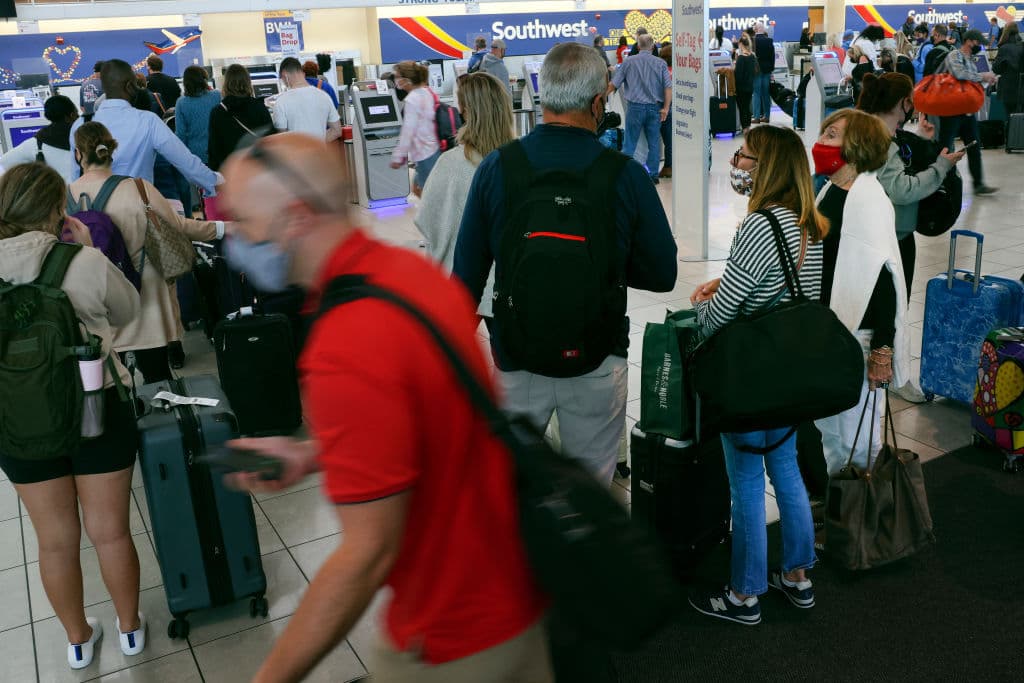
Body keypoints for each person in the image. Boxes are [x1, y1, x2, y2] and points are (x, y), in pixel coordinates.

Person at [219, 132, 550, 682]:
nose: (234, 238)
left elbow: (367, 554)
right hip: (513, 598)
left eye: (242, 222)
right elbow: (432, 421)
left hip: (450, 643)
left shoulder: (345, 343)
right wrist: (317, 453)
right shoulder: (409, 278)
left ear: (295, 218)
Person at [455, 41, 677, 487]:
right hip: (596, 356)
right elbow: (662, 273)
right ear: (598, 103)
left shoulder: (498, 167)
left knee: (513, 490)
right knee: (590, 492)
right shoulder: (625, 173)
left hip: (516, 356)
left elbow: (463, 280)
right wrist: (606, 263)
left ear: (543, 97)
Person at [0, 162, 144, 670]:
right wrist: (91, 250)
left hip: (19, 421)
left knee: (55, 541)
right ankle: (130, 629)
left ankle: (79, 640)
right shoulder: (80, 260)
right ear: (57, 209)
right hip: (95, 407)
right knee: (110, 531)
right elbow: (128, 310)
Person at [687, 125, 825, 626]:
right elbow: (785, 290)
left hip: (752, 376)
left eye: (744, 157)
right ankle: (797, 574)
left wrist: (695, 330)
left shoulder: (760, 224)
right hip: (789, 372)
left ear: (764, 166)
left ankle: (745, 594)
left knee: (745, 475)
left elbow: (727, 309)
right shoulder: (808, 223)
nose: (737, 165)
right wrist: (726, 280)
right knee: (784, 468)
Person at [69, 122, 223, 383]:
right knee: (158, 379)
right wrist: (222, 228)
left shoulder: (63, 197)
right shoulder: (138, 188)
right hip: (145, 296)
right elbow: (180, 227)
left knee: (110, 384)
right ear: (111, 152)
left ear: (78, 154)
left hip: (94, 301)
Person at [811, 109, 909, 475]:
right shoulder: (830, 190)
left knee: (860, 439)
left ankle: (866, 517)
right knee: (833, 435)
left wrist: (882, 350)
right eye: (825, 132)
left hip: (860, 337)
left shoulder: (868, 200)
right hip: (832, 330)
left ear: (858, 146)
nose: (822, 141)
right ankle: (844, 516)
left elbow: (885, 281)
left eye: (832, 134)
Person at [415, 72, 511, 323]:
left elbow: (428, 222)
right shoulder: (518, 160)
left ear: (465, 111)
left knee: (453, 355)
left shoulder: (451, 163)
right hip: (507, 282)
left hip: (459, 280)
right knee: (507, 357)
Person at [858, 72, 963, 297]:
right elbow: (902, 190)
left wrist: (921, 139)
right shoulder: (880, 140)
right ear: (903, 102)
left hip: (879, 235)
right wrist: (941, 167)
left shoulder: (873, 132)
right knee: (893, 307)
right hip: (890, 240)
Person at [68, 60, 221, 195]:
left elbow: (75, 174)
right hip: (137, 210)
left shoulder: (81, 124)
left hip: (95, 216)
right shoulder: (147, 121)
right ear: (129, 86)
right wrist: (216, 182)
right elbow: (185, 161)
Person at [938, 29, 999, 196]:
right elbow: (959, 74)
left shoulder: (971, 60)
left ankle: (979, 183)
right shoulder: (954, 55)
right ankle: (939, 181)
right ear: (969, 41)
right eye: (978, 42)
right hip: (950, 110)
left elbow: (972, 81)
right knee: (945, 146)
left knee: (974, 145)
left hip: (966, 110)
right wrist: (982, 76)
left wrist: (987, 80)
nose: (979, 46)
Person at [607, 33, 672, 182]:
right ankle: (653, 175)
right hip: (654, 109)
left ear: (637, 46)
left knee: (630, 143)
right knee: (653, 144)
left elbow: (614, 84)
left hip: (635, 109)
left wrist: (601, 96)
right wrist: (666, 108)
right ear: (653, 46)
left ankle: (625, 174)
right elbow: (668, 88)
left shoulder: (628, 62)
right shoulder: (660, 63)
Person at [388, 61, 441, 197]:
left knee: (428, 194)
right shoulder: (427, 91)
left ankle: (431, 217)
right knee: (418, 189)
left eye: (398, 76)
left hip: (425, 153)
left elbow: (408, 132)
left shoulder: (413, 99)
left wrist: (398, 157)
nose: (396, 80)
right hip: (434, 149)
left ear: (407, 80)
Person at [208, 64, 273, 172]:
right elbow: (270, 140)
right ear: (248, 82)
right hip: (256, 170)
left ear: (226, 83)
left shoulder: (218, 112)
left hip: (231, 173)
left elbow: (214, 149)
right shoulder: (259, 107)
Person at [0, 95, 78, 182]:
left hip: (56, 193)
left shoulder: (36, 143)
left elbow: (3, 165)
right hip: (86, 191)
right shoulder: (85, 139)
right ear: (71, 115)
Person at [272, 58, 341, 142]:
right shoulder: (324, 96)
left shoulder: (281, 102)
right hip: (321, 154)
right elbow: (337, 131)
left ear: (285, 75)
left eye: (282, 79)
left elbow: (282, 137)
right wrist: (317, 143)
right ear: (302, 73)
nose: (284, 83)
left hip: (296, 154)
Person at [174, 66, 221, 165]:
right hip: (217, 150)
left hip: (195, 154)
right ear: (204, 79)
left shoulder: (181, 103)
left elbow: (181, 134)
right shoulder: (217, 95)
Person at [994, 23, 1023, 119]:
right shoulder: (1022, 46)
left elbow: (996, 69)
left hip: (1009, 91)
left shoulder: (1004, 48)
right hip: (1022, 89)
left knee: (1011, 119)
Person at [753, 22, 775, 124]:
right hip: (767, 70)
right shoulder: (769, 41)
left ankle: (757, 117)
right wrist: (771, 70)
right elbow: (772, 57)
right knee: (766, 94)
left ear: (756, 29)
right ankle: (767, 116)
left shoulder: (753, 41)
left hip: (756, 71)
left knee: (756, 93)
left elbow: (752, 57)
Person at [734, 36, 756, 133]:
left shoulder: (741, 58)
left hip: (741, 88)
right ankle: (748, 126)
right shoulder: (752, 56)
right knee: (747, 107)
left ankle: (745, 129)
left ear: (741, 44)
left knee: (742, 108)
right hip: (750, 86)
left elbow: (738, 75)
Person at [657, 44, 673, 178]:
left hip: (663, 107)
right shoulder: (677, 71)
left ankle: (668, 167)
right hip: (675, 107)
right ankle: (670, 165)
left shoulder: (662, 72)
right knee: (670, 140)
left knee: (663, 139)